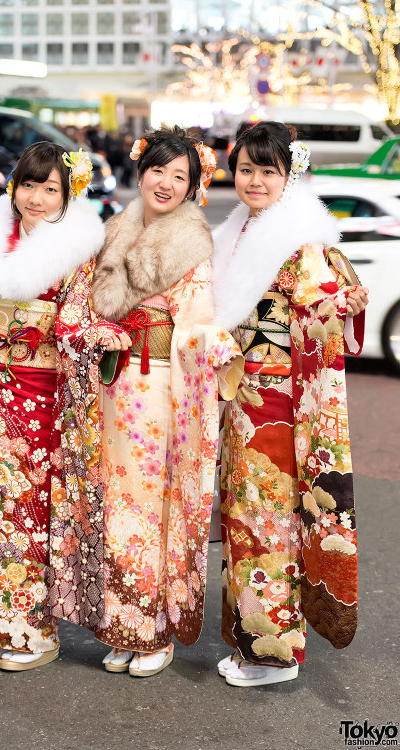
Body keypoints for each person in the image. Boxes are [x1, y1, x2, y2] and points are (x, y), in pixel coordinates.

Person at [0, 141, 129, 671]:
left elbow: (71, 320)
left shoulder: (77, 249)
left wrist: (97, 334)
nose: (36, 198)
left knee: (29, 510)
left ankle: (34, 630)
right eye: (28, 184)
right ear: (13, 186)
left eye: (50, 188)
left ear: (68, 195)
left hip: (39, 395)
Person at [213, 121, 368, 687]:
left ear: (290, 176)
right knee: (245, 519)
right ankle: (257, 643)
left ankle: (275, 655)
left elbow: (318, 310)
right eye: (246, 168)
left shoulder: (299, 240)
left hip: (275, 404)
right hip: (242, 401)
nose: (254, 180)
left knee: (269, 525)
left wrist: (335, 305)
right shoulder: (241, 230)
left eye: (267, 171)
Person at [90, 126, 243, 678]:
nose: (166, 182)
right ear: (141, 170)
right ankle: (118, 623)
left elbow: (196, 323)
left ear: (193, 188)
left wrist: (207, 342)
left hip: (157, 390)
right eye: (158, 169)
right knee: (111, 500)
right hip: (112, 386)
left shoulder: (191, 245)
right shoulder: (115, 231)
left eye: (180, 176)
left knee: (147, 506)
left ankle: (152, 627)